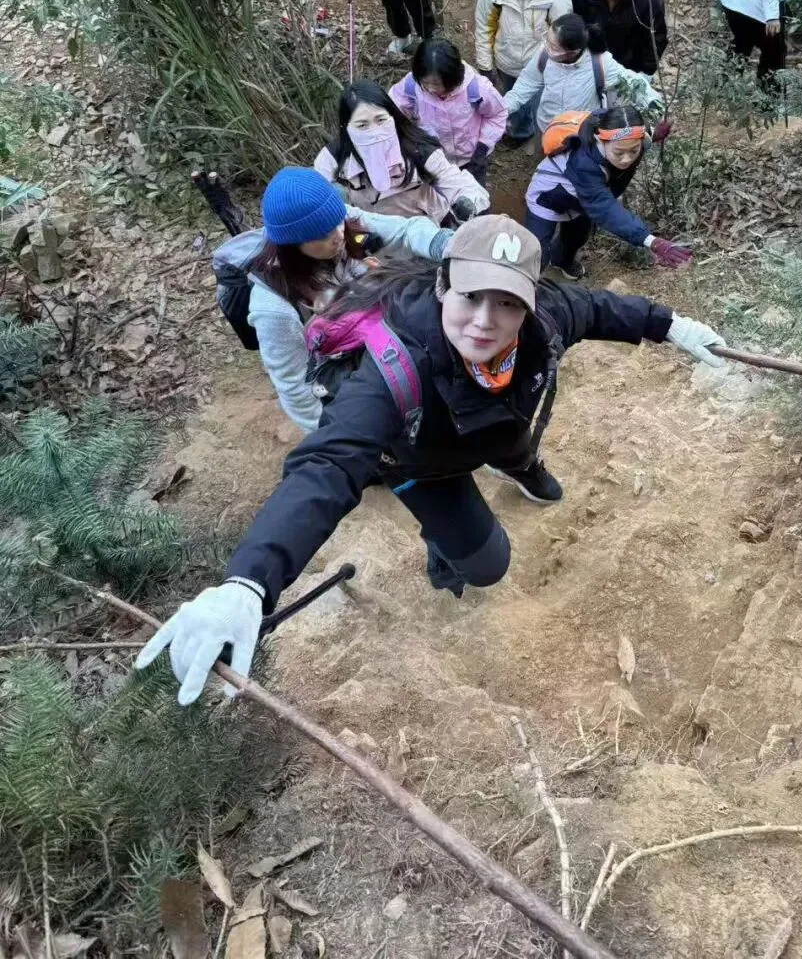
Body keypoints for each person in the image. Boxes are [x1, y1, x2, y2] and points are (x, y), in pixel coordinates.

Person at [136, 213, 729, 703]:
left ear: (529, 304)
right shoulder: (393, 370)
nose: (485, 321)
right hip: (421, 462)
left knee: (514, 448)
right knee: (488, 565)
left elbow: (598, 307)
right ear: (444, 285)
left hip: (499, 433)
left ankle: (521, 469)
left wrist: (671, 325)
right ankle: (439, 535)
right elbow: (328, 465)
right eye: (471, 296)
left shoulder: (548, 318)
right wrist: (250, 581)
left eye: (507, 303)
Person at [239, 168, 451, 431]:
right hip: (346, 383)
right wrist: (332, 435)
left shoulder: (336, 223)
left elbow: (405, 231)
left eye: (338, 221)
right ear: (291, 244)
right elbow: (295, 387)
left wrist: (446, 244)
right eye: (322, 235)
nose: (338, 235)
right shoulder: (273, 309)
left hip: (387, 349)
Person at [524, 103, 689, 276]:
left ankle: (561, 260)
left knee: (577, 237)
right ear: (600, 141)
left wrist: (655, 134)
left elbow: (641, 136)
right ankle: (526, 283)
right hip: (548, 197)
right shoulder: (583, 162)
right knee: (535, 253)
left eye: (634, 151)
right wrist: (651, 241)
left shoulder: (632, 136)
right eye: (619, 153)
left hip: (582, 200)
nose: (626, 159)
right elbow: (604, 208)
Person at [314, 80, 491, 221]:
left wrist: (467, 202)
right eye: (362, 125)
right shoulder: (334, 158)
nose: (375, 132)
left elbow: (459, 184)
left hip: (429, 237)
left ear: (393, 117)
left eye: (380, 120)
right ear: (346, 128)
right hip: (372, 244)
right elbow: (314, 198)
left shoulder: (419, 150)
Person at [502, 12, 662, 139]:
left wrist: (657, 106)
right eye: (547, 41)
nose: (547, 48)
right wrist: (502, 109)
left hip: (580, 135)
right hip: (546, 128)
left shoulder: (600, 62)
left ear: (574, 52)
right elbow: (525, 84)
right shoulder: (544, 55)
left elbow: (633, 83)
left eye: (554, 47)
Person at [475, 0, 572, 141]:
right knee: (514, 99)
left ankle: (540, 134)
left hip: (540, 65)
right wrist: (485, 65)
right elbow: (484, 28)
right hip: (506, 61)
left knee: (539, 103)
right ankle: (519, 132)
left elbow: (564, 33)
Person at [389, 39, 508, 184]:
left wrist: (482, 148)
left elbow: (498, 114)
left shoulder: (478, 89)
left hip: (471, 160)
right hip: (432, 160)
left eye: (436, 84)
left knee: (474, 195)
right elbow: (392, 110)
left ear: (453, 77)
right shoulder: (411, 86)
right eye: (425, 83)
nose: (430, 89)